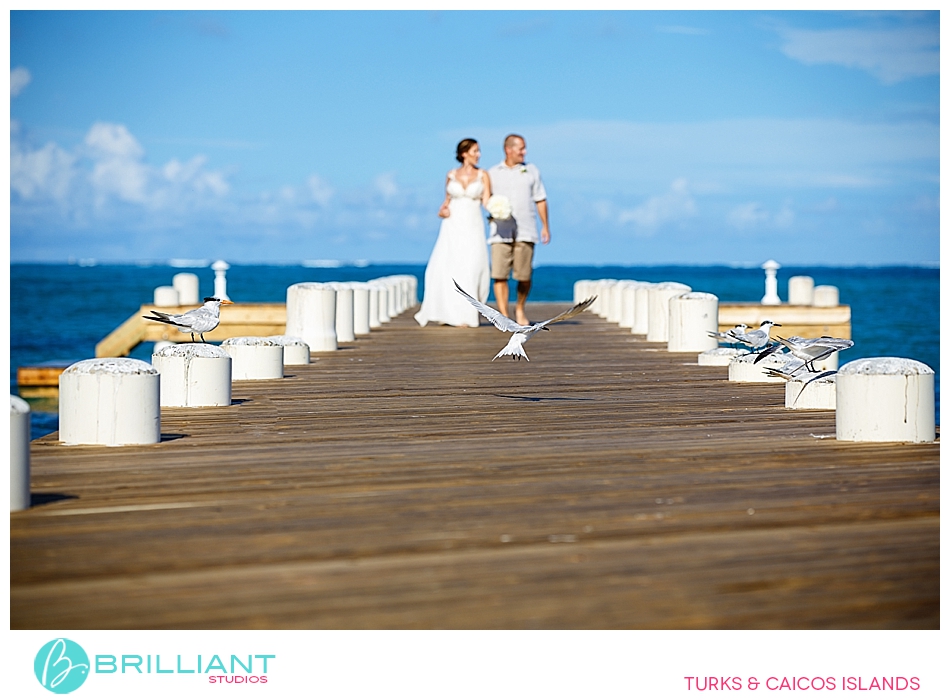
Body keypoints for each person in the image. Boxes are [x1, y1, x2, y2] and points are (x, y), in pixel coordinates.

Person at [414, 139, 491, 328]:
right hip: (452, 225)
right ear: (464, 153)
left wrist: (500, 209)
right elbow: (445, 203)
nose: (478, 154)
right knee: (449, 265)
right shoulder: (450, 174)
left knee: (473, 266)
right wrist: (443, 212)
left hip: (473, 224)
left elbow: (487, 201)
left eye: (478, 151)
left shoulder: (483, 175)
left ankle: (468, 312)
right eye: (475, 151)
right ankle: (449, 313)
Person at [487, 134, 549, 326]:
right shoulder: (492, 172)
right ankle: (504, 316)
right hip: (500, 231)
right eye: (521, 148)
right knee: (499, 274)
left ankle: (520, 307)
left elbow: (540, 198)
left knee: (524, 275)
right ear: (508, 149)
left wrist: (545, 225)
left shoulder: (531, 170)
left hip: (526, 228)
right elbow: (486, 199)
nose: (525, 152)